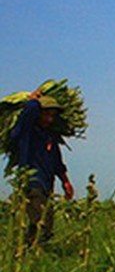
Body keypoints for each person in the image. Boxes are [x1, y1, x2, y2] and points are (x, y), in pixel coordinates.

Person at [9, 91, 74, 248]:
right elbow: (26, 117)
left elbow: (57, 162)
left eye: (52, 116)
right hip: (32, 184)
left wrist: (65, 182)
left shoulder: (50, 136)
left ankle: (29, 254)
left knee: (45, 226)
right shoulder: (26, 133)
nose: (49, 119)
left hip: (47, 185)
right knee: (40, 225)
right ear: (37, 114)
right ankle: (26, 254)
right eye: (45, 114)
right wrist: (33, 101)